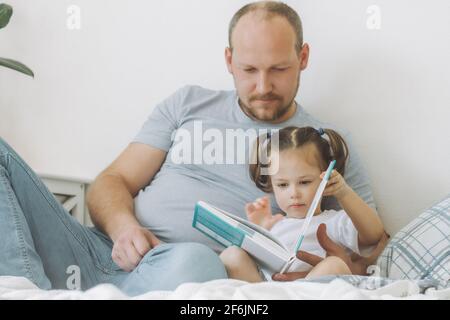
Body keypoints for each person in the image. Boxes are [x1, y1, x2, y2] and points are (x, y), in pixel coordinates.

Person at [0, 1, 387, 295]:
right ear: (229, 60)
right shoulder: (187, 104)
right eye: (249, 70)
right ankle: (28, 290)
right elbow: (112, 181)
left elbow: (373, 243)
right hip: (97, 251)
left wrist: (340, 262)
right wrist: (124, 229)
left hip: (187, 272)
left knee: (197, 258)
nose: (263, 86)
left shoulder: (323, 141)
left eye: (279, 69)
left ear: (303, 59)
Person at [219, 126, 385, 282]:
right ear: (271, 185)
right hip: (269, 291)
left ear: (325, 177)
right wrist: (261, 229)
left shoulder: (334, 221)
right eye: (283, 185)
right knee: (231, 254)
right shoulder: (275, 224)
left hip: (311, 293)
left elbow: (374, 235)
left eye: (304, 182)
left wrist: (344, 193)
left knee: (334, 265)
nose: (294, 194)